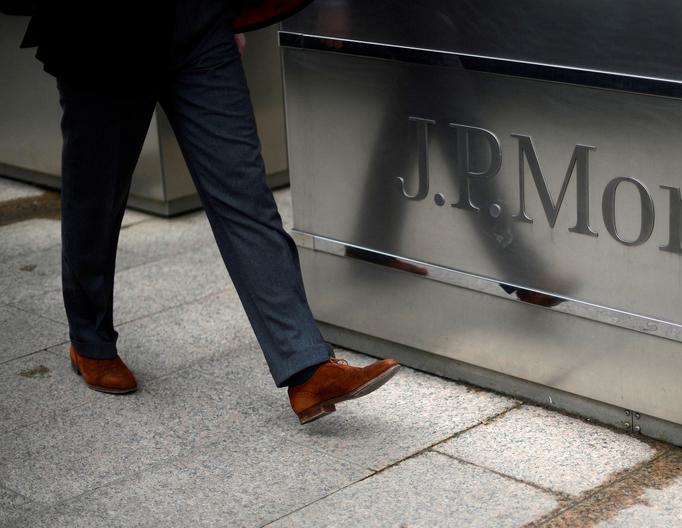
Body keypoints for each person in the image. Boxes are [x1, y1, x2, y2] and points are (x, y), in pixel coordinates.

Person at [16, 0, 399, 424]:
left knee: (246, 196)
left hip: (199, 23)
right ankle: (90, 340)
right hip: (104, 31)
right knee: (97, 197)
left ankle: (307, 367)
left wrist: (232, 16)